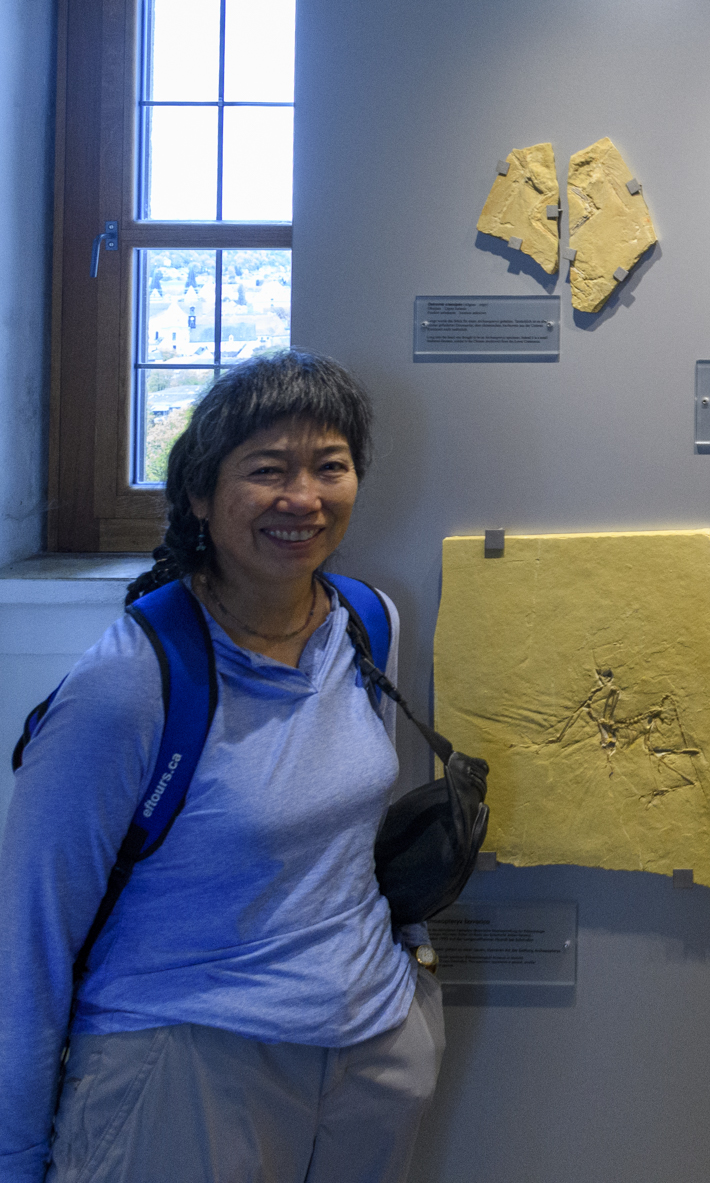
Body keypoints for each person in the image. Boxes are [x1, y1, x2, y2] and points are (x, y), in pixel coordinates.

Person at [0, 350, 444, 1183]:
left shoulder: (367, 623)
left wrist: (411, 1009)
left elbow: (350, 840)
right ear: (201, 494)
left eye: (330, 466)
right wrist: (14, 1156)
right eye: (267, 470)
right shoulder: (131, 680)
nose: (303, 498)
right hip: (184, 1065)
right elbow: (30, 930)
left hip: (369, 1054)